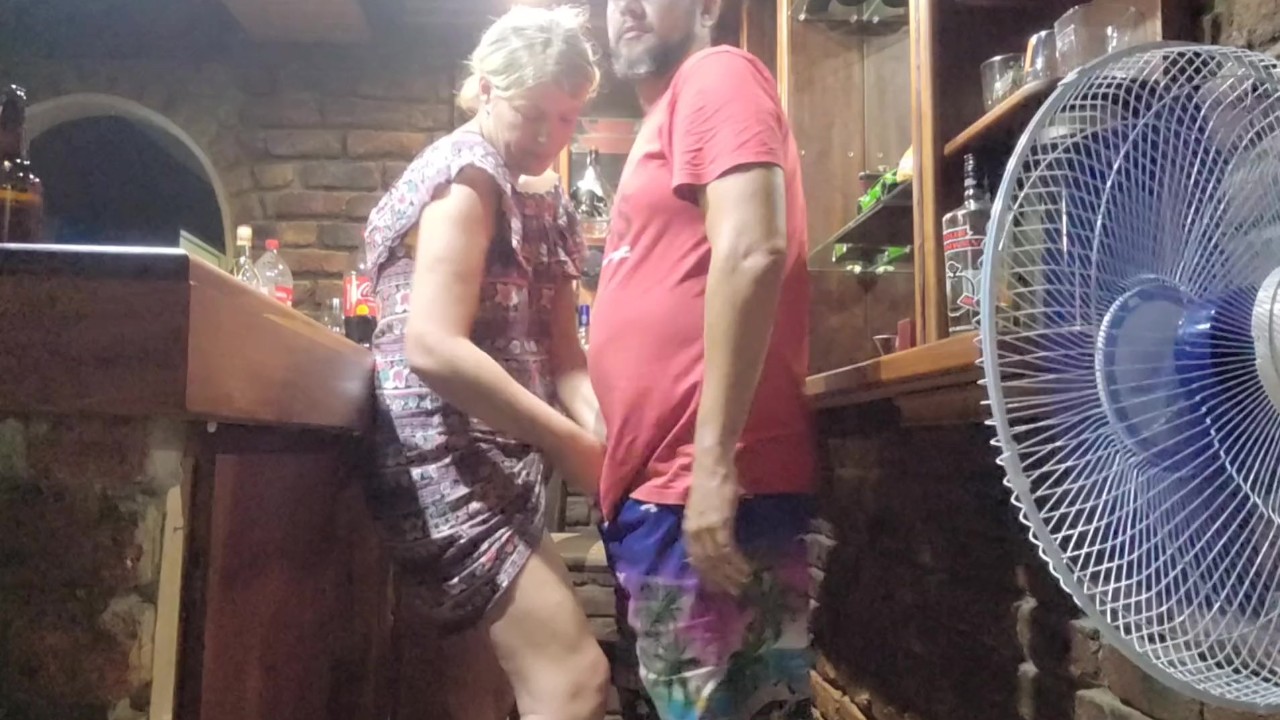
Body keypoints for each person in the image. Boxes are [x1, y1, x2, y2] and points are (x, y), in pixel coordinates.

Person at [361, 6, 611, 719]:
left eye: (566, 118)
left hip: (501, 456)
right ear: (488, 88)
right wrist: (566, 442)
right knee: (575, 682)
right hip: (444, 458)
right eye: (534, 113)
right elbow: (431, 346)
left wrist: (601, 435)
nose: (548, 136)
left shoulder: (547, 200)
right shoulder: (466, 177)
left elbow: (565, 357)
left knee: (495, 694)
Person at [587, 0, 818, 718]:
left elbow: (752, 249)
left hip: (708, 489)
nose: (624, 6)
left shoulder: (715, 75)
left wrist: (712, 465)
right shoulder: (669, 115)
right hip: (669, 491)